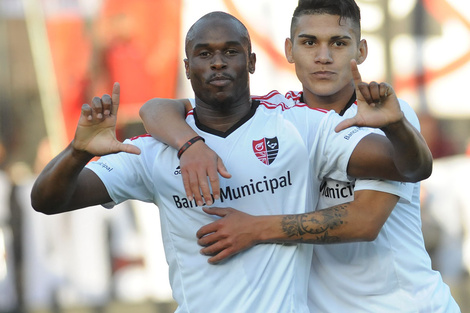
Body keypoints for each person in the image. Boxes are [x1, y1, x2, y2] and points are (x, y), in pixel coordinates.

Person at [32, 11, 432, 313]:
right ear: (187, 68)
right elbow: (47, 200)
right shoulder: (152, 151)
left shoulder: (299, 129)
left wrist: (395, 127)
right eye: (204, 54)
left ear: (253, 62)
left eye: (230, 52)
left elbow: (409, 169)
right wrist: (77, 152)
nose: (218, 63)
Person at [139, 1, 460, 312]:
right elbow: (158, 108)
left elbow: (365, 221)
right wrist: (190, 144)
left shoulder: (387, 115)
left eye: (338, 43)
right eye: (309, 43)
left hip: (406, 306)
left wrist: (256, 229)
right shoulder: (282, 115)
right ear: (289, 50)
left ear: (360, 51)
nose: (323, 56)